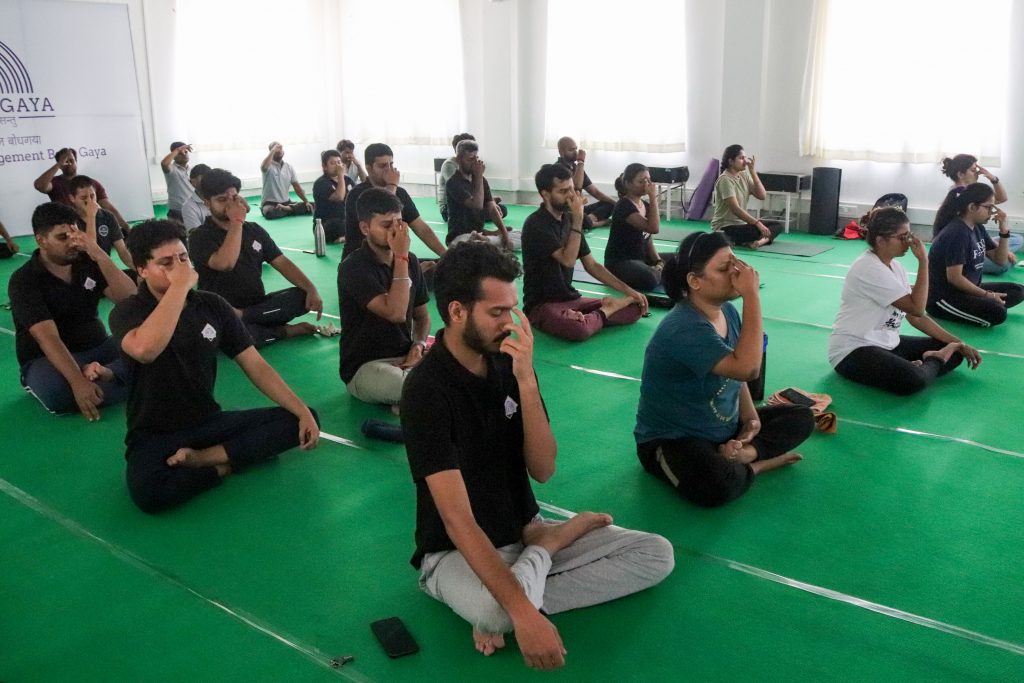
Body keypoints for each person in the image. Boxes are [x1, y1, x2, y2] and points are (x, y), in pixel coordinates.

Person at [400, 241, 674, 670]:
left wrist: (526, 379)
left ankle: (527, 576)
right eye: (497, 312)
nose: (510, 323)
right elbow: (457, 521)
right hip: (453, 553)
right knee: (497, 613)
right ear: (457, 312)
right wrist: (523, 613)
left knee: (656, 554)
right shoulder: (426, 391)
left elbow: (544, 469)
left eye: (512, 310)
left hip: (525, 530)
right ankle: (528, 576)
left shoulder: (508, 362)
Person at [109, 220, 320, 513]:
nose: (180, 268)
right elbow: (145, 350)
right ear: (142, 270)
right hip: (155, 432)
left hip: (208, 421)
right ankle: (226, 465)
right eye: (166, 263)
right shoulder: (127, 311)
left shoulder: (212, 306)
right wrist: (179, 286)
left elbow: (255, 364)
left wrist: (301, 410)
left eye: (183, 258)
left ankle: (204, 459)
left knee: (302, 419)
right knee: (150, 493)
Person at [635, 231, 815, 507]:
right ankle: (757, 465)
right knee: (716, 485)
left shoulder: (727, 311)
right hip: (676, 438)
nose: (735, 273)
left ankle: (745, 455)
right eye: (723, 268)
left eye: (735, 263)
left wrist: (750, 419)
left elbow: (735, 374)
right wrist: (751, 295)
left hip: (724, 430)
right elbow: (747, 369)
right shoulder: (683, 328)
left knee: (803, 417)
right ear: (695, 281)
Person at [830, 208, 981, 394]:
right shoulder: (869, 268)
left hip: (887, 344)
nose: (908, 242)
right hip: (853, 350)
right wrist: (924, 261)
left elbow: (916, 317)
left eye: (909, 235)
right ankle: (934, 360)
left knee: (957, 353)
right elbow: (917, 309)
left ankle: (926, 363)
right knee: (914, 380)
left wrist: (959, 343)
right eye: (902, 237)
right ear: (881, 240)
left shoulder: (896, 267)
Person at [8, 202, 136, 418]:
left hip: (99, 346)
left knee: (153, 350)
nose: (72, 242)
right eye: (62, 237)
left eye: (75, 235)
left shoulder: (86, 262)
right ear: (41, 240)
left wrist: (99, 254)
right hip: (47, 360)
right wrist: (77, 381)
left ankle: (107, 374)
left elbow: (128, 300)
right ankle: (125, 379)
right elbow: (47, 337)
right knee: (59, 393)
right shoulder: (24, 280)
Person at [190, 168, 322, 346]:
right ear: (207, 203)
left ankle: (247, 318)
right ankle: (282, 331)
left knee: (302, 296)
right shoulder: (199, 236)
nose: (230, 205)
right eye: (222, 200)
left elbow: (281, 262)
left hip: (257, 305)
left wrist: (311, 288)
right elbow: (225, 263)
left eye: (234, 198)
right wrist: (237, 222)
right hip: (221, 311)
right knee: (226, 337)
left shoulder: (253, 230)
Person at [521, 164, 647, 341]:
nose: (571, 196)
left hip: (571, 298)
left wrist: (629, 291)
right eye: (563, 191)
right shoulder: (536, 224)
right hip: (543, 304)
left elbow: (592, 265)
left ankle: (588, 317)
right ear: (545, 194)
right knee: (578, 330)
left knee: (635, 309)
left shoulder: (568, 219)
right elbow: (568, 260)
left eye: (572, 189)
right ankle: (603, 312)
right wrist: (578, 218)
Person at [339, 189, 430, 408]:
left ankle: (408, 400)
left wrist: (418, 346)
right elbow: (396, 313)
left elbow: (422, 316)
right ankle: (410, 398)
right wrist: (401, 256)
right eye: (386, 225)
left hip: (406, 357)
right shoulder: (353, 267)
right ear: (365, 228)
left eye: (399, 223)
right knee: (420, 387)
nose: (395, 232)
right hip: (366, 366)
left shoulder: (411, 261)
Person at [927, 183, 1024, 327]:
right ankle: (986, 305)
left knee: (1018, 290)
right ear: (972, 207)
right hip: (944, 298)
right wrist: (988, 295)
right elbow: (955, 278)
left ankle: (985, 304)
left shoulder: (977, 228)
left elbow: (1000, 260)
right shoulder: (957, 233)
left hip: (966, 290)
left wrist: (1004, 231)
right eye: (989, 207)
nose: (992, 212)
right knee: (998, 313)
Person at [342, 143, 447, 262]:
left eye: (391, 164)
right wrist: (392, 185)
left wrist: (445, 255)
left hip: (392, 258)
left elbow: (420, 228)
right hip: (362, 260)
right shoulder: (357, 194)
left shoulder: (400, 192)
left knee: (436, 266)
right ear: (369, 168)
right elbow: (383, 207)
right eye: (382, 166)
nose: (389, 170)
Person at [940, 153, 1020, 274]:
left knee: (1017, 239)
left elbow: (1002, 198)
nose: (977, 173)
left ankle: (991, 253)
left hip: (974, 240)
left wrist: (993, 178)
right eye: (973, 170)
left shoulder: (972, 193)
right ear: (961, 174)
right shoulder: (958, 196)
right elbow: (963, 236)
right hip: (961, 247)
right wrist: (1002, 251)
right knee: (1004, 265)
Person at [605, 163, 673, 291]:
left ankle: (660, 272)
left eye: (648, 180)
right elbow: (653, 228)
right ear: (628, 184)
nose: (646, 185)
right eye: (641, 181)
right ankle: (661, 273)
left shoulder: (645, 205)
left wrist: (658, 260)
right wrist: (653, 197)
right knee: (650, 279)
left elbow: (647, 237)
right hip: (621, 263)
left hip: (641, 259)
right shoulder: (623, 206)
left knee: (680, 258)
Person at [33, 147, 132, 232]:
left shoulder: (92, 183)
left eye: (71, 160)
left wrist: (127, 228)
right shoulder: (55, 183)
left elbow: (109, 208)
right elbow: (39, 186)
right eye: (65, 161)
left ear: (76, 161)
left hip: (91, 227)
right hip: (67, 229)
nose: (69, 163)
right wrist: (59, 164)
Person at [444, 140, 517, 249]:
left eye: (476, 158)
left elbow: (492, 209)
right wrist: (478, 176)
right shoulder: (453, 183)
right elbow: (477, 205)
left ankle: (487, 238)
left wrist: (505, 235)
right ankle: (487, 240)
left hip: (478, 233)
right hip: (459, 237)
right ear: (459, 159)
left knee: (521, 235)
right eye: (470, 159)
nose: (475, 163)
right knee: (474, 243)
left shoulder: (482, 180)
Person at [710, 144, 781, 249]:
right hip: (725, 228)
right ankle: (757, 240)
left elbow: (762, 195)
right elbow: (735, 209)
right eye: (741, 158)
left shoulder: (744, 175)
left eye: (745, 158)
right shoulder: (725, 180)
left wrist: (752, 172)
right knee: (756, 230)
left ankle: (759, 242)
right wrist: (757, 223)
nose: (745, 161)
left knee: (777, 225)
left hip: (741, 224)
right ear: (731, 161)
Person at [68, 175, 133, 269]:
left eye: (92, 196)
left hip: (104, 268)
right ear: (72, 198)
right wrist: (91, 216)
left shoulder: (107, 216)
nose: (89, 201)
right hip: (81, 271)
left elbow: (122, 251)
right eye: (83, 198)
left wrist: (139, 270)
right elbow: (92, 250)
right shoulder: (70, 220)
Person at [554, 137, 615, 229]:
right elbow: (576, 187)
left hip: (578, 208)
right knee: (569, 218)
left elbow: (595, 192)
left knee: (609, 204)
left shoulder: (577, 168)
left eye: (576, 149)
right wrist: (581, 162)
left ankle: (587, 220)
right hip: (565, 211)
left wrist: (617, 204)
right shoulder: (557, 169)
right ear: (561, 152)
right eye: (571, 150)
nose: (575, 153)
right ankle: (594, 223)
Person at [260, 141, 312, 219]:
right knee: (269, 212)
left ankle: (286, 209)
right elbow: (263, 167)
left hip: (286, 203)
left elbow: (296, 186)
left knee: (313, 205)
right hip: (270, 204)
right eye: (276, 148)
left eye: (280, 148)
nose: (279, 150)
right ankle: (290, 210)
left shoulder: (288, 167)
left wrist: (306, 201)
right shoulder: (268, 166)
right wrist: (273, 150)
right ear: (271, 152)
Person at [313, 149, 353, 244]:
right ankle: (348, 235)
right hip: (327, 224)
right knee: (337, 224)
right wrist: (340, 175)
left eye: (339, 162)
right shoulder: (321, 183)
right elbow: (339, 197)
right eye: (333, 163)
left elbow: (357, 196)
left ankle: (347, 236)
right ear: (324, 167)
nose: (337, 166)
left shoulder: (348, 179)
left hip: (345, 219)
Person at [160, 142, 193, 222]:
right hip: (177, 211)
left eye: (186, 152)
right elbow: (164, 163)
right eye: (180, 153)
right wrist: (178, 150)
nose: (184, 154)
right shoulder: (171, 169)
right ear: (174, 156)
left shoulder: (192, 170)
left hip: (192, 210)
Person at [181, 164, 212, 232]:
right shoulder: (188, 207)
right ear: (192, 182)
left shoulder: (219, 198)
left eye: (210, 179)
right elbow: (195, 234)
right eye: (203, 179)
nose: (208, 182)